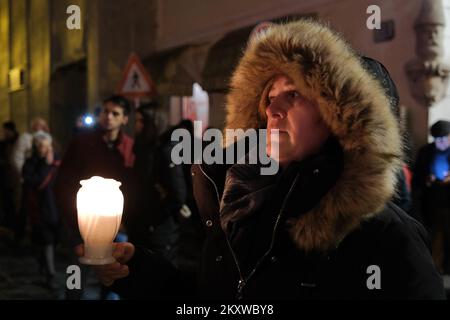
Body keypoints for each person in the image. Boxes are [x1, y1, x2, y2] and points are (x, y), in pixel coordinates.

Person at [80, 20, 445, 299]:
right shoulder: (245, 203)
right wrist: (140, 271)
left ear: (340, 116)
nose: (272, 107)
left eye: (294, 95)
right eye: (269, 96)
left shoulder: (385, 235)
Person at [55, 95, 135, 299]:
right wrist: (73, 218)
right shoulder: (82, 143)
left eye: (115, 113)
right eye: (105, 112)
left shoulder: (129, 147)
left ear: (125, 119)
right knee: (76, 274)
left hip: (117, 222)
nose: (108, 117)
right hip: (82, 222)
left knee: (113, 276)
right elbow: (64, 180)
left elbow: (135, 185)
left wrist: (127, 218)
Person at [126, 103, 187, 267]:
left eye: (141, 121)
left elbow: (178, 194)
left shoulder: (166, 150)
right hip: (141, 227)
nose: (137, 125)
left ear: (153, 123)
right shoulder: (142, 148)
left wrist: (154, 221)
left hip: (159, 231)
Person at [22, 131, 61, 289]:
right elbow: (36, 183)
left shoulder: (57, 162)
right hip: (40, 209)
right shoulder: (31, 163)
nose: (43, 149)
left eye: (46, 146)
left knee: (51, 241)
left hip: (56, 208)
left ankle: (45, 266)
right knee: (46, 242)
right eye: (40, 146)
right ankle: (50, 275)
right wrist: (46, 165)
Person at [412, 120, 450, 273]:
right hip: (432, 201)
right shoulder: (426, 152)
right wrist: (427, 180)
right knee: (435, 235)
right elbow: (417, 177)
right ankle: (435, 267)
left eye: (443, 139)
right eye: (436, 139)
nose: (439, 143)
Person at [11, 118, 50, 242]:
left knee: (42, 209)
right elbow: (17, 158)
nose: (40, 127)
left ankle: (39, 236)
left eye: (42, 125)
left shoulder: (48, 138)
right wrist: (24, 176)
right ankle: (20, 235)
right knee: (25, 207)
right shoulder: (25, 139)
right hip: (30, 178)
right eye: (37, 125)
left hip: (42, 179)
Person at [0, 121, 19, 228]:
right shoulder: (4, 142)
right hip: (5, 176)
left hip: (13, 176)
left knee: (13, 200)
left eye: (5, 130)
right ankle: (8, 220)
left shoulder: (16, 141)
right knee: (6, 200)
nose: (3, 132)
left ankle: (13, 222)